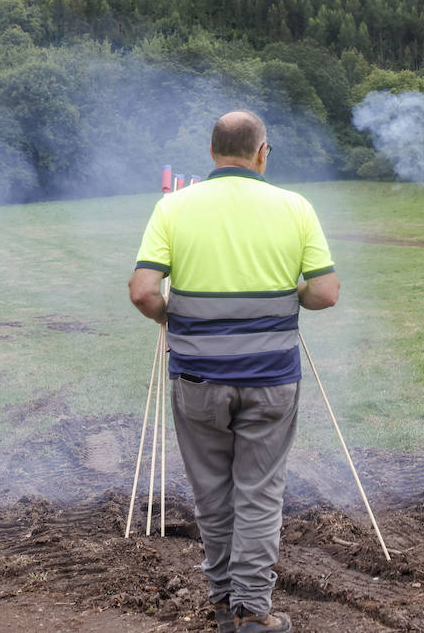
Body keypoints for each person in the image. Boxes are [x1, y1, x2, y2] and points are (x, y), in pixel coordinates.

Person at [129, 110, 339, 633]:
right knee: (259, 493)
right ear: (262, 152)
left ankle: (225, 606)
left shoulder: (173, 205)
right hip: (272, 379)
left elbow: (143, 290)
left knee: (213, 494)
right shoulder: (294, 206)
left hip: (197, 377)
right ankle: (251, 611)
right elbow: (325, 292)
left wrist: (167, 317)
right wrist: (290, 294)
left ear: (212, 152)